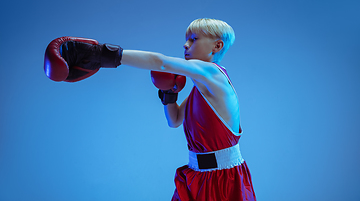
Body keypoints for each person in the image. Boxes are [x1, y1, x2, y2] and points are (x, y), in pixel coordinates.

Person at [44, 18, 256, 201]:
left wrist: (102, 54)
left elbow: (161, 62)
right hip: (197, 174)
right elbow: (174, 120)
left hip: (223, 178)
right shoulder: (199, 90)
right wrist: (169, 94)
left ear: (217, 46)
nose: (185, 44)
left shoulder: (214, 74)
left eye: (194, 39)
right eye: (187, 38)